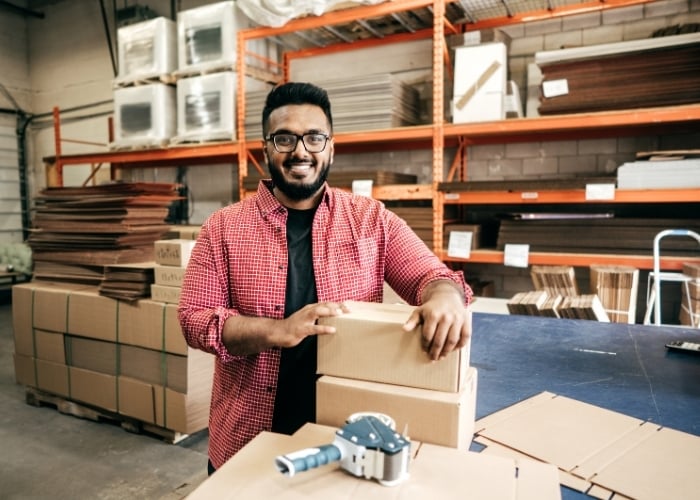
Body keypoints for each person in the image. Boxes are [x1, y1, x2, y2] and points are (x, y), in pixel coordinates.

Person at [178, 81, 473, 474]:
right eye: (284, 138)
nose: (300, 151)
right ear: (265, 149)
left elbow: (431, 275)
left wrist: (446, 298)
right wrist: (276, 330)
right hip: (245, 441)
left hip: (344, 443)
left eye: (314, 138)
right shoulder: (223, 228)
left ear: (331, 147)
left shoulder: (371, 221)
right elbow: (193, 319)